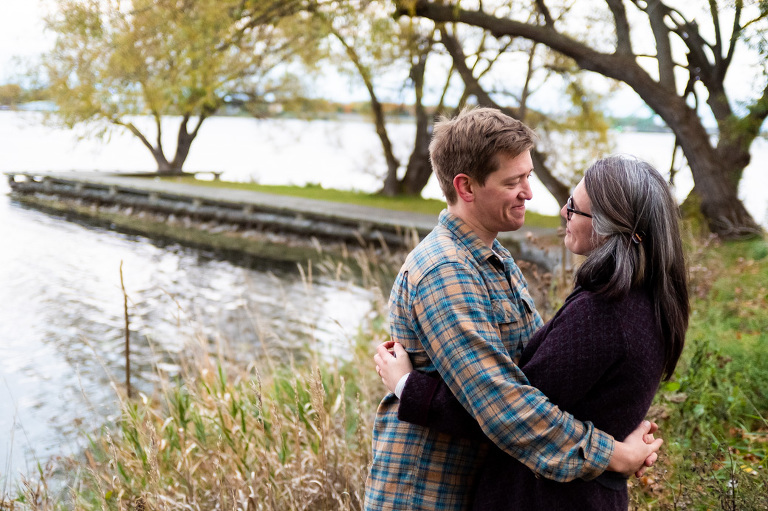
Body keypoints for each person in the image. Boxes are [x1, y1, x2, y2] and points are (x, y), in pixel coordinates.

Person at [364, 107, 665, 511]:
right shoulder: (446, 272)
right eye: (513, 181)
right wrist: (612, 454)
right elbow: (502, 403)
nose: (529, 191)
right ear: (466, 187)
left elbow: (532, 378)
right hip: (428, 494)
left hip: (474, 486)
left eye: (527, 176)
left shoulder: (496, 259)